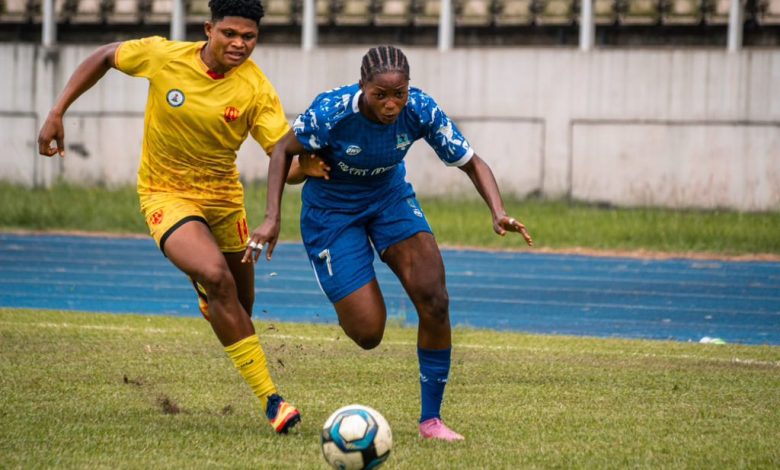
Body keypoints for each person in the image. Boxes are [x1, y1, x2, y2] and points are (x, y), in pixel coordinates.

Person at [36, 0, 317, 434]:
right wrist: (57, 111)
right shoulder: (164, 56)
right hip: (165, 194)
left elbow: (281, 157)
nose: (239, 44)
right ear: (208, 29)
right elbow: (105, 56)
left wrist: (308, 167)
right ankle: (273, 401)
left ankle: (209, 294)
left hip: (224, 201)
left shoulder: (256, 88)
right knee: (217, 278)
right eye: (229, 34)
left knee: (240, 309)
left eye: (249, 37)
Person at [246, 45, 534, 441]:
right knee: (368, 333)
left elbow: (472, 161)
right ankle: (348, 286)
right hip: (332, 212)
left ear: (408, 89)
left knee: (435, 298)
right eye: (380, 95)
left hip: (389, 199)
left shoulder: (421, 109)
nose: (391, 104)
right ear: (362, 87)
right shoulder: (331, 112)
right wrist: (272, 218)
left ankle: (431, 421)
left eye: (399, 94)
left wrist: (497, 211)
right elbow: (283, 150)